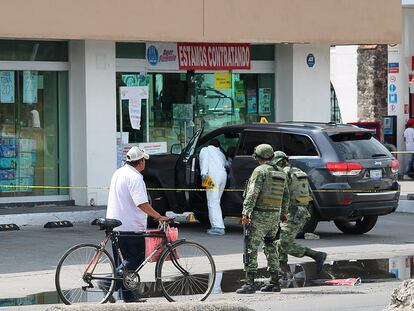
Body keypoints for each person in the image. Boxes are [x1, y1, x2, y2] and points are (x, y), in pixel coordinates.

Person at [106, 146, 170, 303]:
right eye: (144, 161)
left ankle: (128, 297)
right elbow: (142, 203)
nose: (145, 164)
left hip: (115, 224)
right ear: (140, 162)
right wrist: (158, 216)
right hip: (129, 226)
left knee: (124, 264)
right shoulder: (135, 177)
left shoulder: (119, 172)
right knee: (136, 258)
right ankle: (107, 282)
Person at [236, 144, 289, 294]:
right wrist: (283, 214)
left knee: (251, 247)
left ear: (257, 157)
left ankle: (249, 283)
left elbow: (252, 193)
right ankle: (274, 282)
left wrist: (246, 213)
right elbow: (286, 196)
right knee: (271, 246)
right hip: (274, 216)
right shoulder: (281, 172)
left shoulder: (260, 171)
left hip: (259, 215)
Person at [272, 151, 327, 275]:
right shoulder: (298, 172)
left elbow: (280, 195)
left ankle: (317, 255)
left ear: (280, 162)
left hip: (291, 212)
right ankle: (282, 270)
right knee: (283, 240)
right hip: (302, 211)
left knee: (283, 244)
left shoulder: (283, 174)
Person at [199, 139, 228, 235]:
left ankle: (218, 227)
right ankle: (218, 225)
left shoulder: (205, 150)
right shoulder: (221, 153)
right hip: (223, 176)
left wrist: (203, 174)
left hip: (211, 176)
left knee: (212, 201)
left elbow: (204, 161)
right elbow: (226, 164)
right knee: (216, 201)